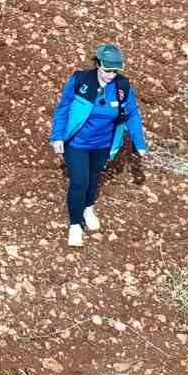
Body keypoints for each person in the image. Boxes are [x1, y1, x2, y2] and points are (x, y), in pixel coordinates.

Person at [49, 43, 149, 248]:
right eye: (106, 70)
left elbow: (132, 114)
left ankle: (88, 207)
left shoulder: (123, 87)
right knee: (79, 181)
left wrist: (139, 143)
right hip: (77, 142)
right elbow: (63, 108)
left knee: (94, 177)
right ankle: (75, 225)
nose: (110, 75)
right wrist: (57, 136)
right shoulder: (80, 80)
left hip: (104, 144)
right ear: (97, 64)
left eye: (114, 71)